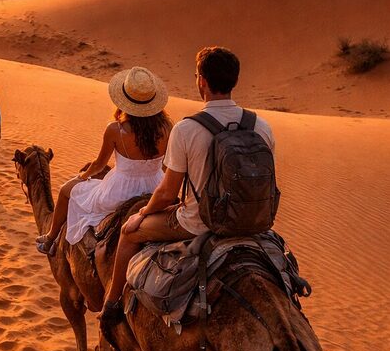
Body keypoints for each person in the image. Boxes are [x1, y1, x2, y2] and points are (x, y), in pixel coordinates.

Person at [101, 46, 276, 323]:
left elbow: (167, 193)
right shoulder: (262, 127)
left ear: (202, 81)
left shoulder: (187, 129)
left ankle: (110, 307)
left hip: (196, 222)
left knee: (127, 232)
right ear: (234, 80)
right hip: (254, 223)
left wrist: (143, 213)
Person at [35, 66, 172, 256]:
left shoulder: (116, 130)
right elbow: (167, 164)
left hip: (119, 192)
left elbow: (99, 165)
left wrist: (83, 176)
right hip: (155, 187)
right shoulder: (167, 127)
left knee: (67, 191)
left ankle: (50, 238)